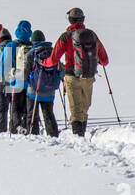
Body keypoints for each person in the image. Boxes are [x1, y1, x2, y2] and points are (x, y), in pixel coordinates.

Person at [43, 7, 108, 136]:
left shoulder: (66, 36)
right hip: (88, 76)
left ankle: (78, 136)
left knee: (75, 109)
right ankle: (82, 134)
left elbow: (54, 59)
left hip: (71, 76)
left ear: (70, 20)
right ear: (82, 19)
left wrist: (44, 62)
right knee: (84, 108)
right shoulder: (92, 35)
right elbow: (104, 60)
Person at [0, 23, 31, 133]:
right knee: (18, 108)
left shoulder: (8, 46)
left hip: (5, 80)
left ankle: (2, 130)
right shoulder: (30, 46)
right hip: (24, 81)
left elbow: (0, 66)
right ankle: (17, 129)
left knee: (2, 108)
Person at [26, 30, 61, 136]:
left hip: (33, 90)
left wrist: (29, 81)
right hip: (49, 90)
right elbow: (60, 70)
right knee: (48, 114)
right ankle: (53, 135)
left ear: (32, 41)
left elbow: (25, 72)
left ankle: (33, 134)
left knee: (32, 114)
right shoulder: (53, 52)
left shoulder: (31, 53)